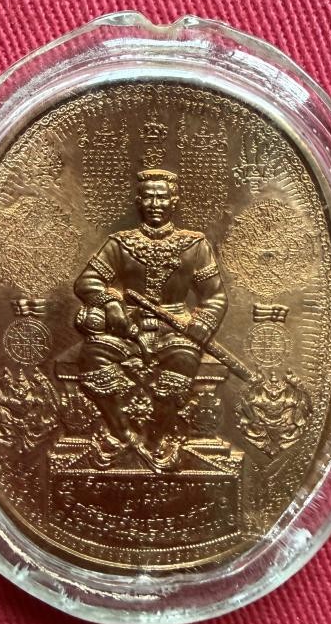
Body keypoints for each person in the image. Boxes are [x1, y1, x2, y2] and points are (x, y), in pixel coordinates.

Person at [73, 168, 228, 469]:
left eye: (162, 197)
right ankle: (121, 434)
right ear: (139, 202)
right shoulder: (121, 243)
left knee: (183, 358)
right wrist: (110, 302)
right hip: (128, 329)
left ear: (174, 201)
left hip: (175, 329)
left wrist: (202, 325)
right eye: (149, 197)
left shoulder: (194, 245)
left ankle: (157, 438)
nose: (155, 204)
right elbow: (86, 281)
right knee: (93, 353)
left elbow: (215, 296)